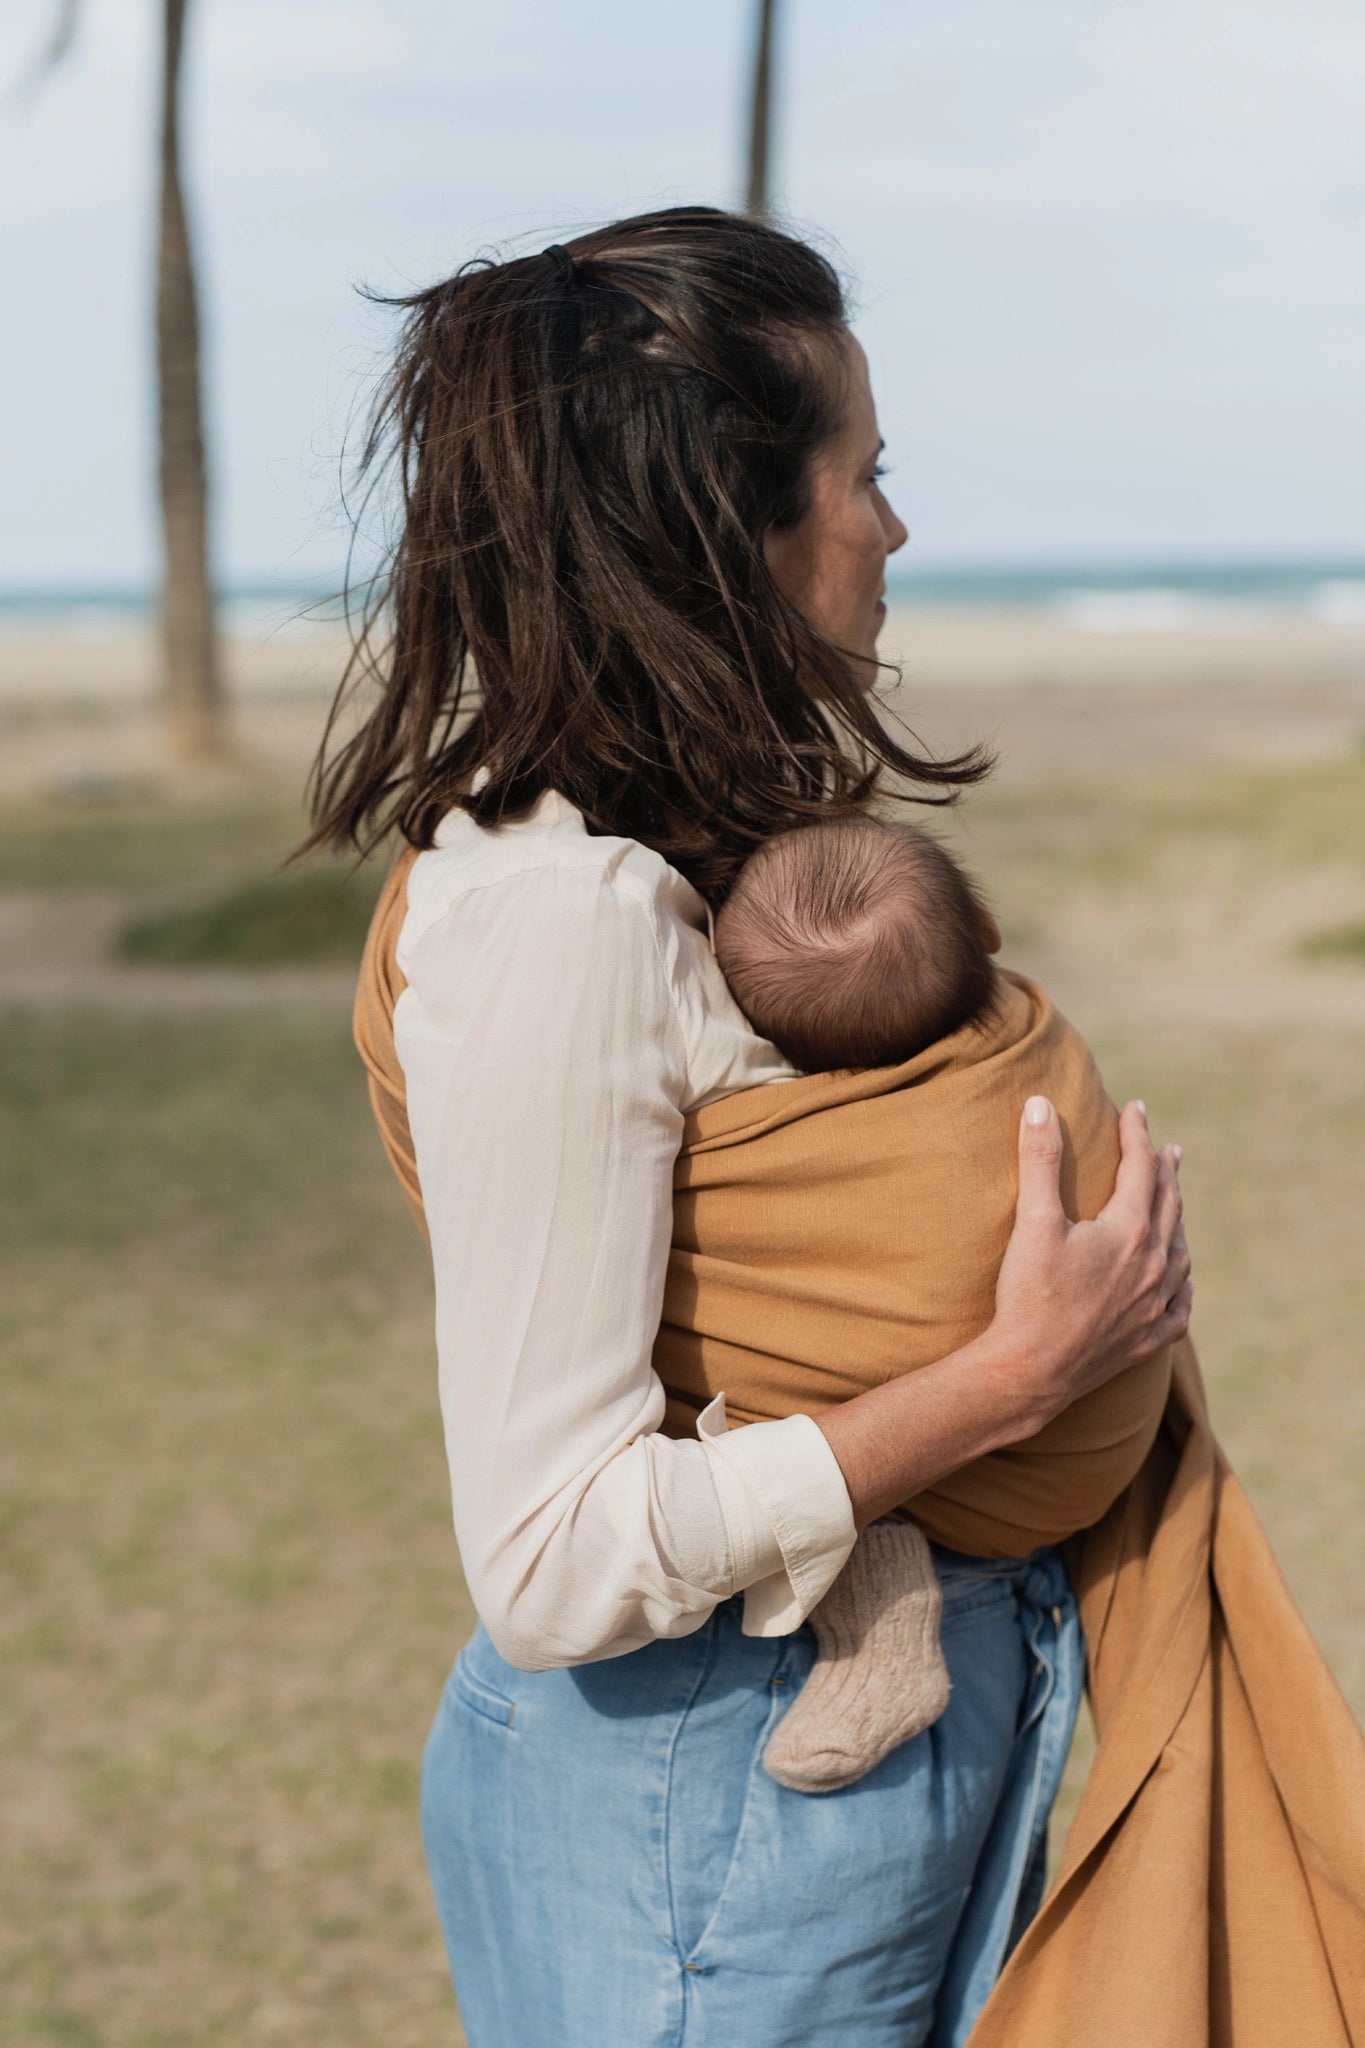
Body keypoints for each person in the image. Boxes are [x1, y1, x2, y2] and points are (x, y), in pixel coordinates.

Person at [308, 207, 1190, 2046]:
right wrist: (1007, 1380)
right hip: (712, 1816)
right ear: (733, 528)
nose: (890, 525)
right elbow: (551, 1557)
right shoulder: (562, 921)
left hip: (802, 1803)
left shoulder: (708, 876)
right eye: (864, 471)